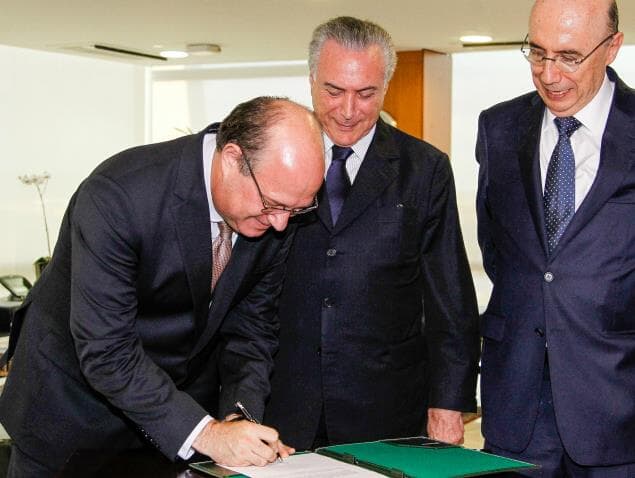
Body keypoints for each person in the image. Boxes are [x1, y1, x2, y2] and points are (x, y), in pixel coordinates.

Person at [0, 96, 325, 476]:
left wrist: (238, 417)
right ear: (232, 158)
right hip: (71, 412)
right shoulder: (119, 195)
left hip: (175, 420)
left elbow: (253, 328)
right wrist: (207, 434)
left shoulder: (274, 208)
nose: (282, 224)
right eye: (273, 204)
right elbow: (107, 350)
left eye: (297, 209)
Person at [219, 17, 480, 450]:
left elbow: (449, 298)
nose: (348, 109)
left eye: (366, 93)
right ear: (311, 80)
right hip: (281, 402)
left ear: (386, 85)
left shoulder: (424, 169)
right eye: (334, 91)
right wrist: (236, 403)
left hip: (387, 408)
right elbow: (244, 297)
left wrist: (449, 403)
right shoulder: (272, 158)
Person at [476, 0, 635, 474]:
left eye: (569, 56)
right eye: (537, 52)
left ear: (612, 48)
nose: (549, 74)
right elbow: (497, 250)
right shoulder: (498, 128)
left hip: (618, 405)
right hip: (516, 406)